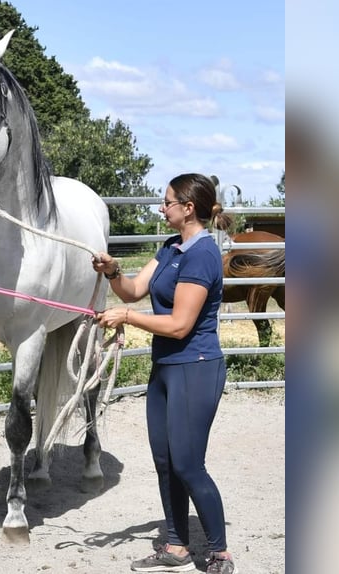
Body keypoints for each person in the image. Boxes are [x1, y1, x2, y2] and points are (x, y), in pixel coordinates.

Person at [92, 173, 237, 574]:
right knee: (165, 461)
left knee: (189, 465)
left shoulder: (202, 255)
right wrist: (112, 272)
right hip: (166, 369)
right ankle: (176, 546)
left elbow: (178, 325)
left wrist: (128, 317)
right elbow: (134, 289)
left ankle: (221, 555)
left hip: (196, 367)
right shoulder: (172, 247)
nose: (162, 208)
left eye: (167, 202)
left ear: (188, 208)